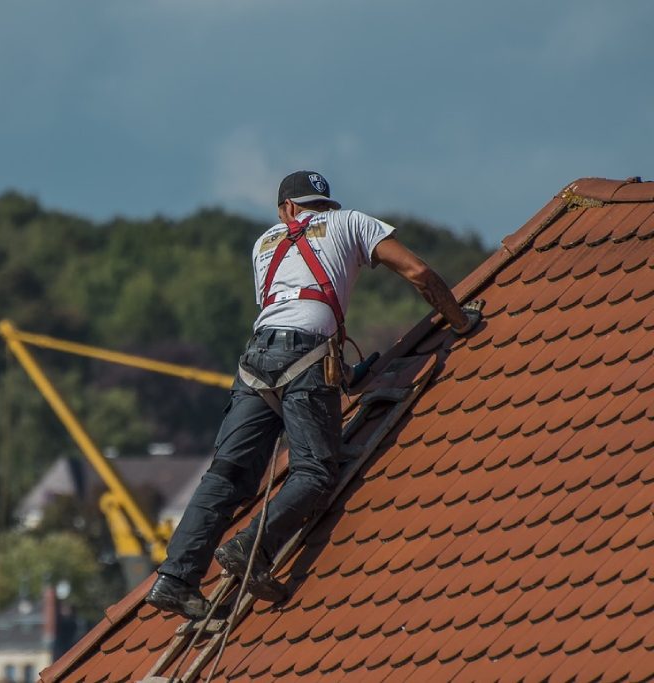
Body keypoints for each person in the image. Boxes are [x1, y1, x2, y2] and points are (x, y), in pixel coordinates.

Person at [145, 170, 482, 619]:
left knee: (226, 474)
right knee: (316, 472)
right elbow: (418, 272)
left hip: (256, 361)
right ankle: (251, 548)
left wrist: (338, 374)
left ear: (286, 209)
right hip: (307, 355)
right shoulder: (351, 222)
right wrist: (460, 320)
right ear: (322, 205)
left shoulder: (263, 243)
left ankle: (175, 578)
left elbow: (288, 307)